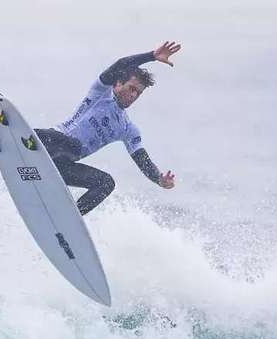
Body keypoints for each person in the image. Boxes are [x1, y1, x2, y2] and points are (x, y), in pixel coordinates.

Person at [35, 41, 182, 215]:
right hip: (47, 144)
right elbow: (121, 64)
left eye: (138, 93)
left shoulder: (127, 128)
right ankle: (16, 140)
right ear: (118, 84)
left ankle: (70, 217)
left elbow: (142, 159)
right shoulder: (100, 93)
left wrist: (159, 179)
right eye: (131, 88)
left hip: (63, 165)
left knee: (106, 183)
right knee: (72, 143)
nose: (133, 95)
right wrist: (151, 56)